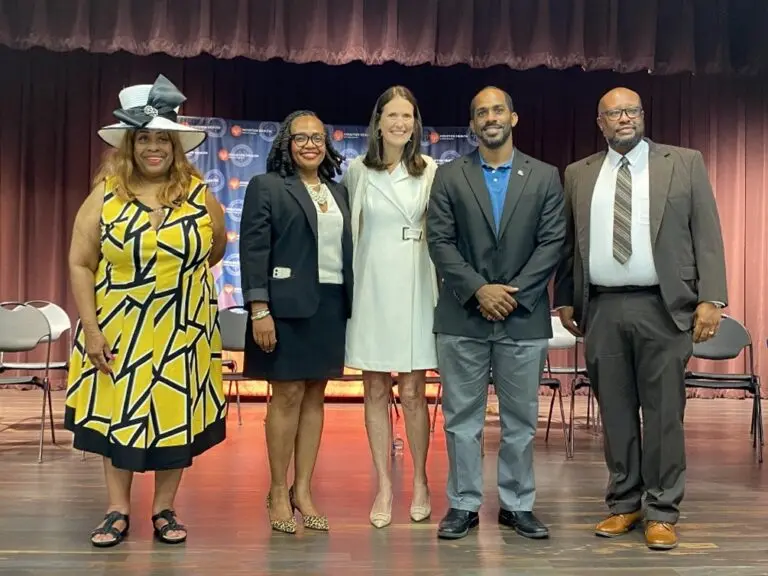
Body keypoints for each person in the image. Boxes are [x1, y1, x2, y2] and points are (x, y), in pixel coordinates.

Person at [553, 87, 728, 550]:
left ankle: (663, 509)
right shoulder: (579, 174)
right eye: (613, 113)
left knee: (665, 413)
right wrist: (566, 298)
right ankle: (624, 503)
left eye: (630, 110)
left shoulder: (684, 162)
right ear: (600, 123)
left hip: (664, 308)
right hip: (604, 309)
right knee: (614, 413)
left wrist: (712, 298)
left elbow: (706, 233)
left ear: (643, 115)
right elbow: (570, 243)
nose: (623, 118)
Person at [65, 74, 227, 547]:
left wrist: (180, 290)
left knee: (176, 416)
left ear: (176, 146)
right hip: (119, 330)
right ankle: (117, 511)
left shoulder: (201, 197)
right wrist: (92, 329)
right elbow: (79, 263)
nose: (154, 147)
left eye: (163, 138)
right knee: (121, 416)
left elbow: (215, 250)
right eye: (144, 138)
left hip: (185, 330)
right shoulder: (104, 199)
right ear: (129, 146)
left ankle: (163, 510)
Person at [426, 86, 565, 540]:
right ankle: (463, 505)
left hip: (522, 317)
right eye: (481, 112)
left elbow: (552, 244)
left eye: (497, 109)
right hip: (463, 315)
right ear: (472, 125)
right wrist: (479, 290)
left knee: (520, 420)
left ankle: (517, 504)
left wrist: (512, 294)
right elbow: (440, 242)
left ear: (514, 117)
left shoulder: (544, 176)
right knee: (461, 419)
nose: (490, 117)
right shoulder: (449, 176)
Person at [239, 110, 353, 534]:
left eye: (318, 138)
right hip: (282, 309)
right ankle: (275, 489)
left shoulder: (338, 192)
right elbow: (253, 250)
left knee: (315, 397)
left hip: (329, 304)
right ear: (286, 143)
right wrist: (259, 308)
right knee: (286, 396)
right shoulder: (266, 187)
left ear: (327, 145)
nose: (310, 144)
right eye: (301, 137)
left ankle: (303, 490)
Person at [343, 86, 438, 528]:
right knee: (375, 391)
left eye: (408, 115)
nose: (401, 123)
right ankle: (383, 484)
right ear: (378, 121)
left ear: (416, 124)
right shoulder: (357, 171)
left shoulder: (431, 171)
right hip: (372, 287)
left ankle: (420, 480)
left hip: (416, 283)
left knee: (415, 392)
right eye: (393, 115)